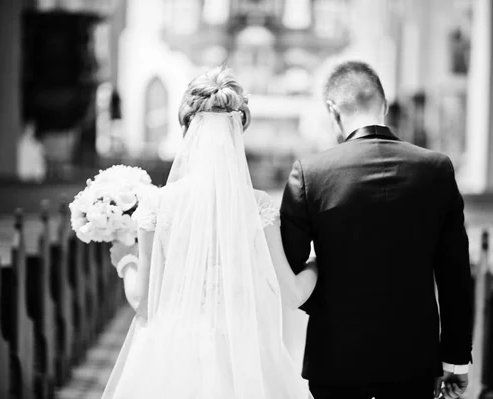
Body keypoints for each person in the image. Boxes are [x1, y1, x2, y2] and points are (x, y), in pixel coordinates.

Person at [102, 66, 317, 399]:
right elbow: (291, 294)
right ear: (238, 127)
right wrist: (317, 263)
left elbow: (142, 303)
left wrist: (123, 260)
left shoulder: (156, 203)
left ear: (188, 127)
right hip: (243, 351)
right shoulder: (257, 205)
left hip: (172, 350)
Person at [280, 61, 473, 399]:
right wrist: (456, 359)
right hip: (414, 359)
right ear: (383, 106)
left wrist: (323, 289)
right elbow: (455, 274)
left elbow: (288, 269)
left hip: (335, 356)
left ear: (332, 110)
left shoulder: (310, 173)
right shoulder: (436, 170)